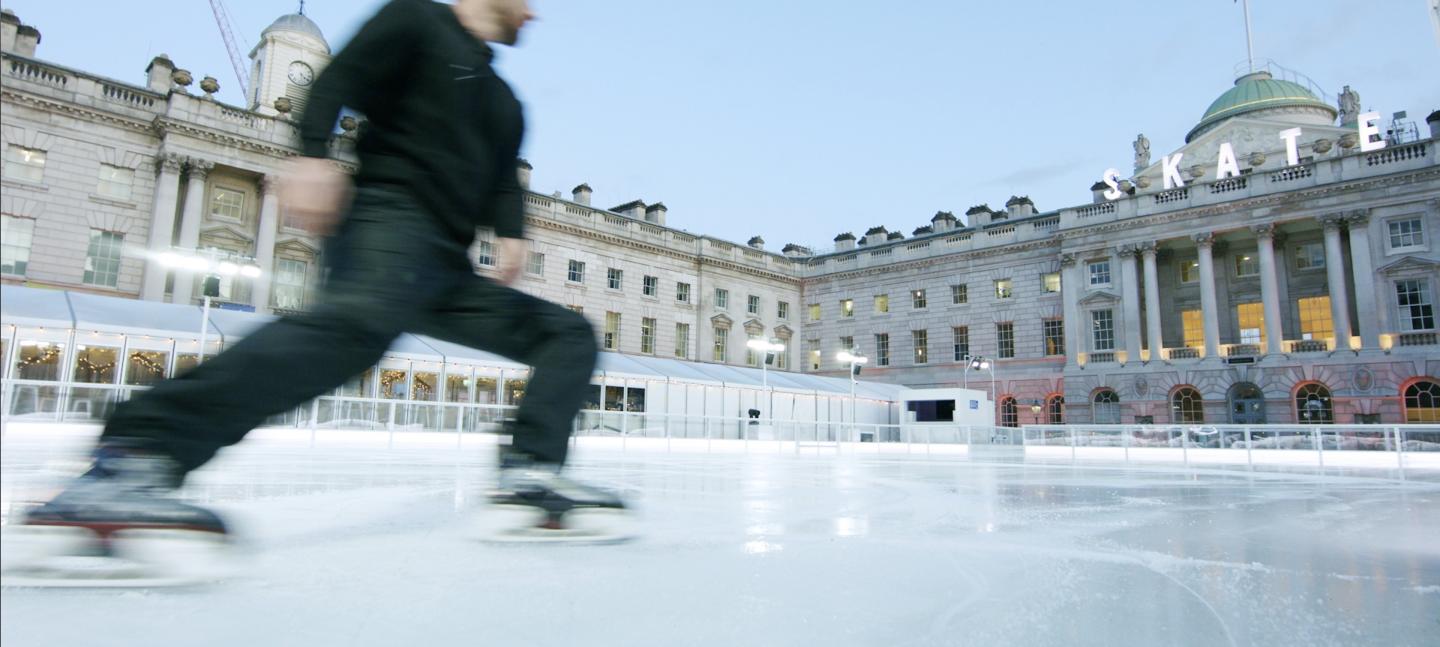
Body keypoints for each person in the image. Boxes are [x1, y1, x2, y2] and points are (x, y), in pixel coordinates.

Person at [11, 0, 626, 576]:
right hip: (388, 220)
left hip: (444, 264)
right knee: (352, 332)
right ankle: (135, 455)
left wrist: (513, 236)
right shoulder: (416, 22)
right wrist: (311, 155)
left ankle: (531, 472)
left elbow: (501, 182)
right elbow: (335, 83)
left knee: (566, 333)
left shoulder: (503, 101)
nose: (534, 10)